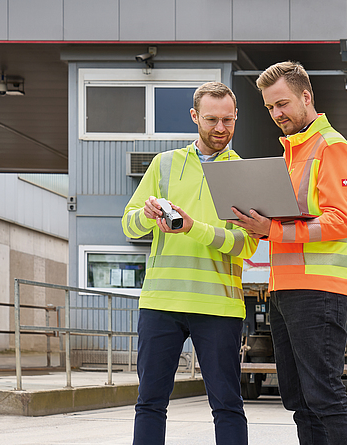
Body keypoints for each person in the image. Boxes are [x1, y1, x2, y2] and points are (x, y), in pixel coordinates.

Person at [231, 61, 347, 445]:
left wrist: (269, 229)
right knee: (299, 399)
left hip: (320, 291)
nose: (277, 114)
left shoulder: (332, 147)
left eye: (283, 104)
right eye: (270, 108)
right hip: (284, 291)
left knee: (323, 393)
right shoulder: (292, 154)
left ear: (306, 97)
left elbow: (340, 222)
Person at [122, 82, 258, 445]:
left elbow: (246, 245)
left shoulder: (245, 173)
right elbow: (129, 224)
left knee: (227, 405)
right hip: (161, 303)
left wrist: (194, 229)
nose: (220, 128)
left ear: (236, 118)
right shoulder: (163, 164)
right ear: (195, 117)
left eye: (227, 120)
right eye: (211, 119)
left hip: (218, 306)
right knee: (149, 403)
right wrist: (149, 216)